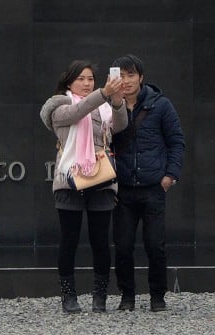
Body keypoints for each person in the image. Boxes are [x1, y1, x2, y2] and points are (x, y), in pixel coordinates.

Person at [40, 60, 128, 313]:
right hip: (69, 181)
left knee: (101, 241)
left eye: (91, 79)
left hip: (101, 180)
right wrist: (104, 94)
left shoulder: (105, 107)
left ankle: (99, 297)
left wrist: (118, 100)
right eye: (81, 79)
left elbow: (121, 125)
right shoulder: (59, 105)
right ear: (69, 82)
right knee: (69, 240)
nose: (87, 83)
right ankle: (69, 297)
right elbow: (77, 114)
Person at [110, 54, 185, 312]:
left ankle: (157, 296)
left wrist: (169, 176)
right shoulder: (109, 106)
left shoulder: (160, 105)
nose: (127, 80)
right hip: (123, 190)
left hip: (154, 188)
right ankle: (127, 296)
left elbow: (176, 141)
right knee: (122, 246)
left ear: (141, 77)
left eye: (131, 75)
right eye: (121, 75)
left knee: (155, 245)